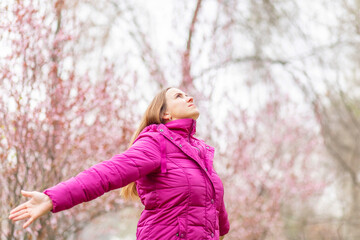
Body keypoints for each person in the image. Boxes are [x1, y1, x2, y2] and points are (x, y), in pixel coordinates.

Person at [9, 87, 230, 239]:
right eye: (179, 96)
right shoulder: (156, 142)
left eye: (187, 94)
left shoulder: (201, 153)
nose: (189, 97)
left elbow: (215, 212)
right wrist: (53, 197)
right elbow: (107, 173)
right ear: (165, 114)